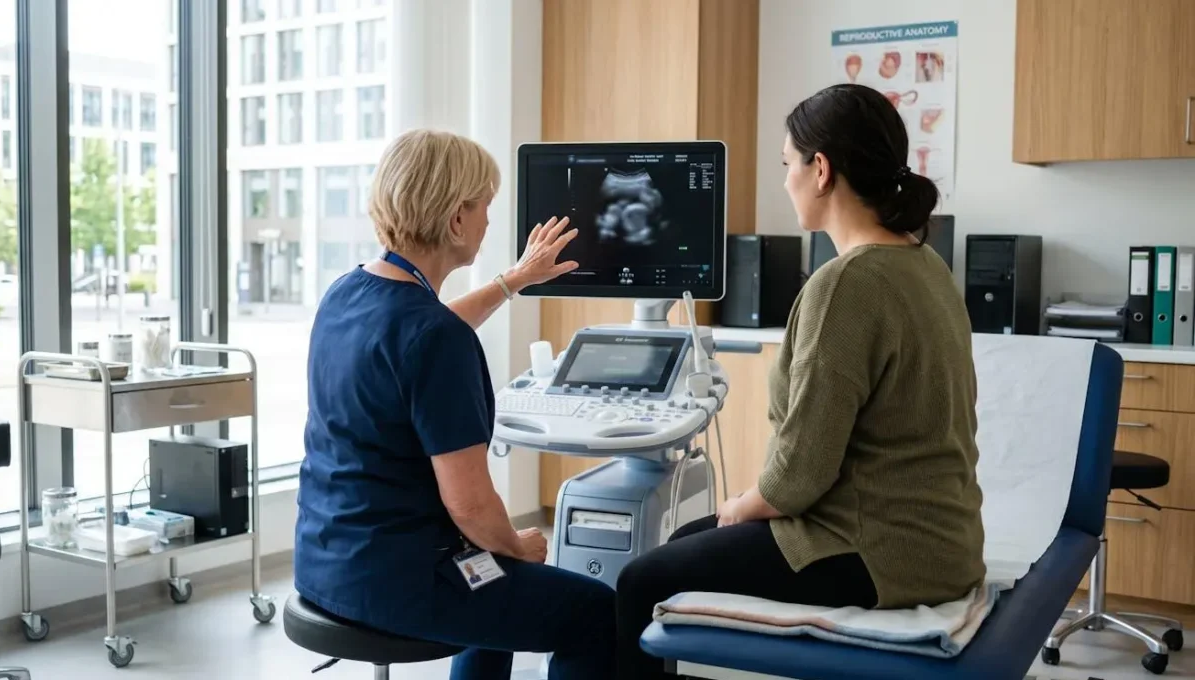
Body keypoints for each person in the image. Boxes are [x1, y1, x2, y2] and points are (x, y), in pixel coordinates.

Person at [614, 83, 986, 680]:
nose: (784, 180)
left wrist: (741, 506)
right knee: (686, 536)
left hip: (875, 551)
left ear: (821, 170)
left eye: (788, 163)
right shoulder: (925, 264)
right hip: (945, 543)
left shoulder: (845, 284)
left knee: (640, 580)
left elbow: (798, 477)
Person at [295, 128, 616, 680]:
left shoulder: (347, 293)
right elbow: (470, 507)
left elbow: (417, 337)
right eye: (485, 204)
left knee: (490, 573)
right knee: (596, 612)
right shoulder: (434, 338)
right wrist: (515, 543)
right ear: (456, 219)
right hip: (398, 583)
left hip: (326, 564)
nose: (490, 220)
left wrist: (511, 281)